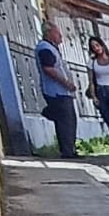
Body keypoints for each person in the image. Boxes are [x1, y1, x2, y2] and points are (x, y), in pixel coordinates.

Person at [33, 21, 80, 159]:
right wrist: (66, 83)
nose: (60, 35)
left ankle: (70, 148)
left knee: (70, 120)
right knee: (65, 121)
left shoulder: (51, 48)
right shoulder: (45, 48)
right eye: (57, 32)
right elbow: (48, 69)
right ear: (49, 33)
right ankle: (67, 150)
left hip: (62, 91)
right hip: (56, 91)